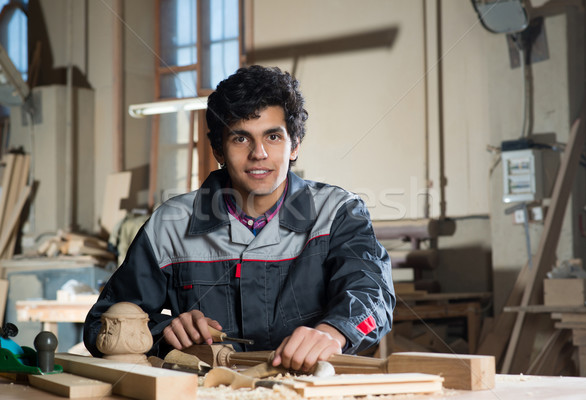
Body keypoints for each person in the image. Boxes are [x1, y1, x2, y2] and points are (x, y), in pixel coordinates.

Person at [84, 65, 395, 372]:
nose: (258, 153)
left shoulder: (338, 213)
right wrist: (165, 333)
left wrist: (333, 332)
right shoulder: (170, 226)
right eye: (240, 139)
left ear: (294, 146)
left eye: (273, 136)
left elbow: (375, 300)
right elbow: (101, 326)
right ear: (219, 149)